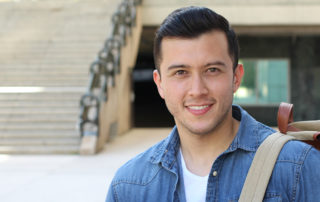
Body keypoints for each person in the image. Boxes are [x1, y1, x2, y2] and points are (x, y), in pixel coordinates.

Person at [106, 6, 320, 202]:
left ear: (236, 77)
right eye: (181, 72)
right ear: (159, 83)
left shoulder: (300, 168)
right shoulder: (128, 186)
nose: (198, 90)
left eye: (212, 70)